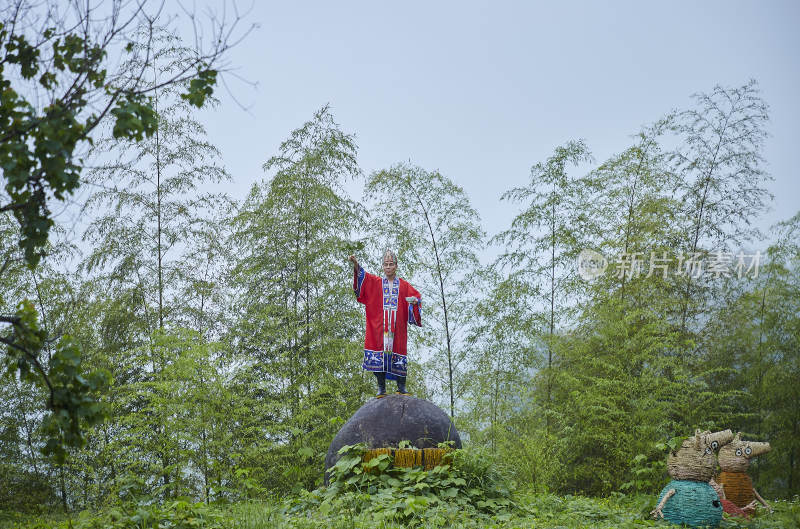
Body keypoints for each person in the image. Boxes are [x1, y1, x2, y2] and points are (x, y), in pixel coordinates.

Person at [349, 250, 421, 397]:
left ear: (396, 266)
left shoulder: (404, 285)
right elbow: (363, 278)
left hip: (397, 327)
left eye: (391, 264)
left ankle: (401, 387)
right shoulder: (376, 283)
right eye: (386, 264)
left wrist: (414, 302)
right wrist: (356, 265)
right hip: (379, 328)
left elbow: (416, 297)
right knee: (378, 354)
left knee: (399, 353)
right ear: (382, 266)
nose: (388, 267)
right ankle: (381, 388)